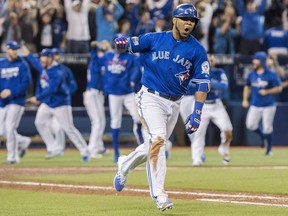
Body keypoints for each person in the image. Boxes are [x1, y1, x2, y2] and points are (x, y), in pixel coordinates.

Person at [112, 4, 210, 211]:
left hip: (175, 102)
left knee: (153, 144)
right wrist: (121, 42)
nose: (189, 23)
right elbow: (129, 43)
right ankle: (160, 195)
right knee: (158, 140)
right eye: (185, 19)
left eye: (192, 21)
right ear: (174, 20)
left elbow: (203, 84)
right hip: (150, 97)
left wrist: (197, 113)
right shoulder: (154, 39)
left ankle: (125, 164)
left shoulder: (197, 50)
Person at [25, 48, 90, 162]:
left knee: (69, 129)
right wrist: (26, 51)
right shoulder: (45, 67)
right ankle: (53, 147)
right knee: (39, 122)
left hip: (61, 103)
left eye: (44, 57)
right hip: (48, 103)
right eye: (41, 57)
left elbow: (51, 89)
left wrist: (37, 98)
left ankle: (85, 151)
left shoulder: (58, 71)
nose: (42, 59)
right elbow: (35, 63)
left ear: (50, 58)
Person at [95, 38, 144, 163]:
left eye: (123, 45)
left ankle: (143, 145)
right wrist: (99, 48)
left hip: (128, 92)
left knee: (138, 118)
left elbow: (138, 67)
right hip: (114, 93)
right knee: (115, 122)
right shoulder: (108, 55)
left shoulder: (130, 56)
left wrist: (132, 81)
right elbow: (96, 62)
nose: (121, 47)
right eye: (119, 45)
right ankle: (116, 152)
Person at [183, 54, 233, 166]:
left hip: (216, 104)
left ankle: (224, 149)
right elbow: (189, 83)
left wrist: (208, 83)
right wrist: (205, 83)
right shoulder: (197, 71)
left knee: (228, 129)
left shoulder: (219, 72)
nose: (209, 62)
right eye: (208, 60)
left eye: (211, 60)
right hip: (202, 104)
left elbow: (224, 86)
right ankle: (196, 158)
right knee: (198, 133)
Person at [242, 51, 282, 156]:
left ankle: (269, 149)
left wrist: (267, 91)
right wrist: (245, 99)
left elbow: (279, 88)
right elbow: (247, 86)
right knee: (250, 125)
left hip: (268, 105)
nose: (253, 61)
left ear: (262, 61)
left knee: (267, 127)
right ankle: (263, 136)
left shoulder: (271, 74)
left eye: (256, 59)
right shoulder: (251, 74)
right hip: (255, 104)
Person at [0, 40, 32, 164]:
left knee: (10, 127)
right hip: (2, 101)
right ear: (7, 50)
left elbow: (26, 83)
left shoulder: (22, 64)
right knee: (2, 131)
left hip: (17, 100)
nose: (15, 51)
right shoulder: (1, 63)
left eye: (16, 49)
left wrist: (11, 92)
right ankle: (24, 141)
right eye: (12, 49)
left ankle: (12, 157)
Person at [83, 41, 109, 158]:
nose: (101, 54)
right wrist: (98, 47)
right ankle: (91, 149)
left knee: (101, 121)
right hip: (92, 93)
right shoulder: (95, 61)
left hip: (98, 95)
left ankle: (98, 146)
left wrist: (105, 49)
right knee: (97, 122)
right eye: (100, 52)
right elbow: (94, 50)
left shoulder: (101, 61)